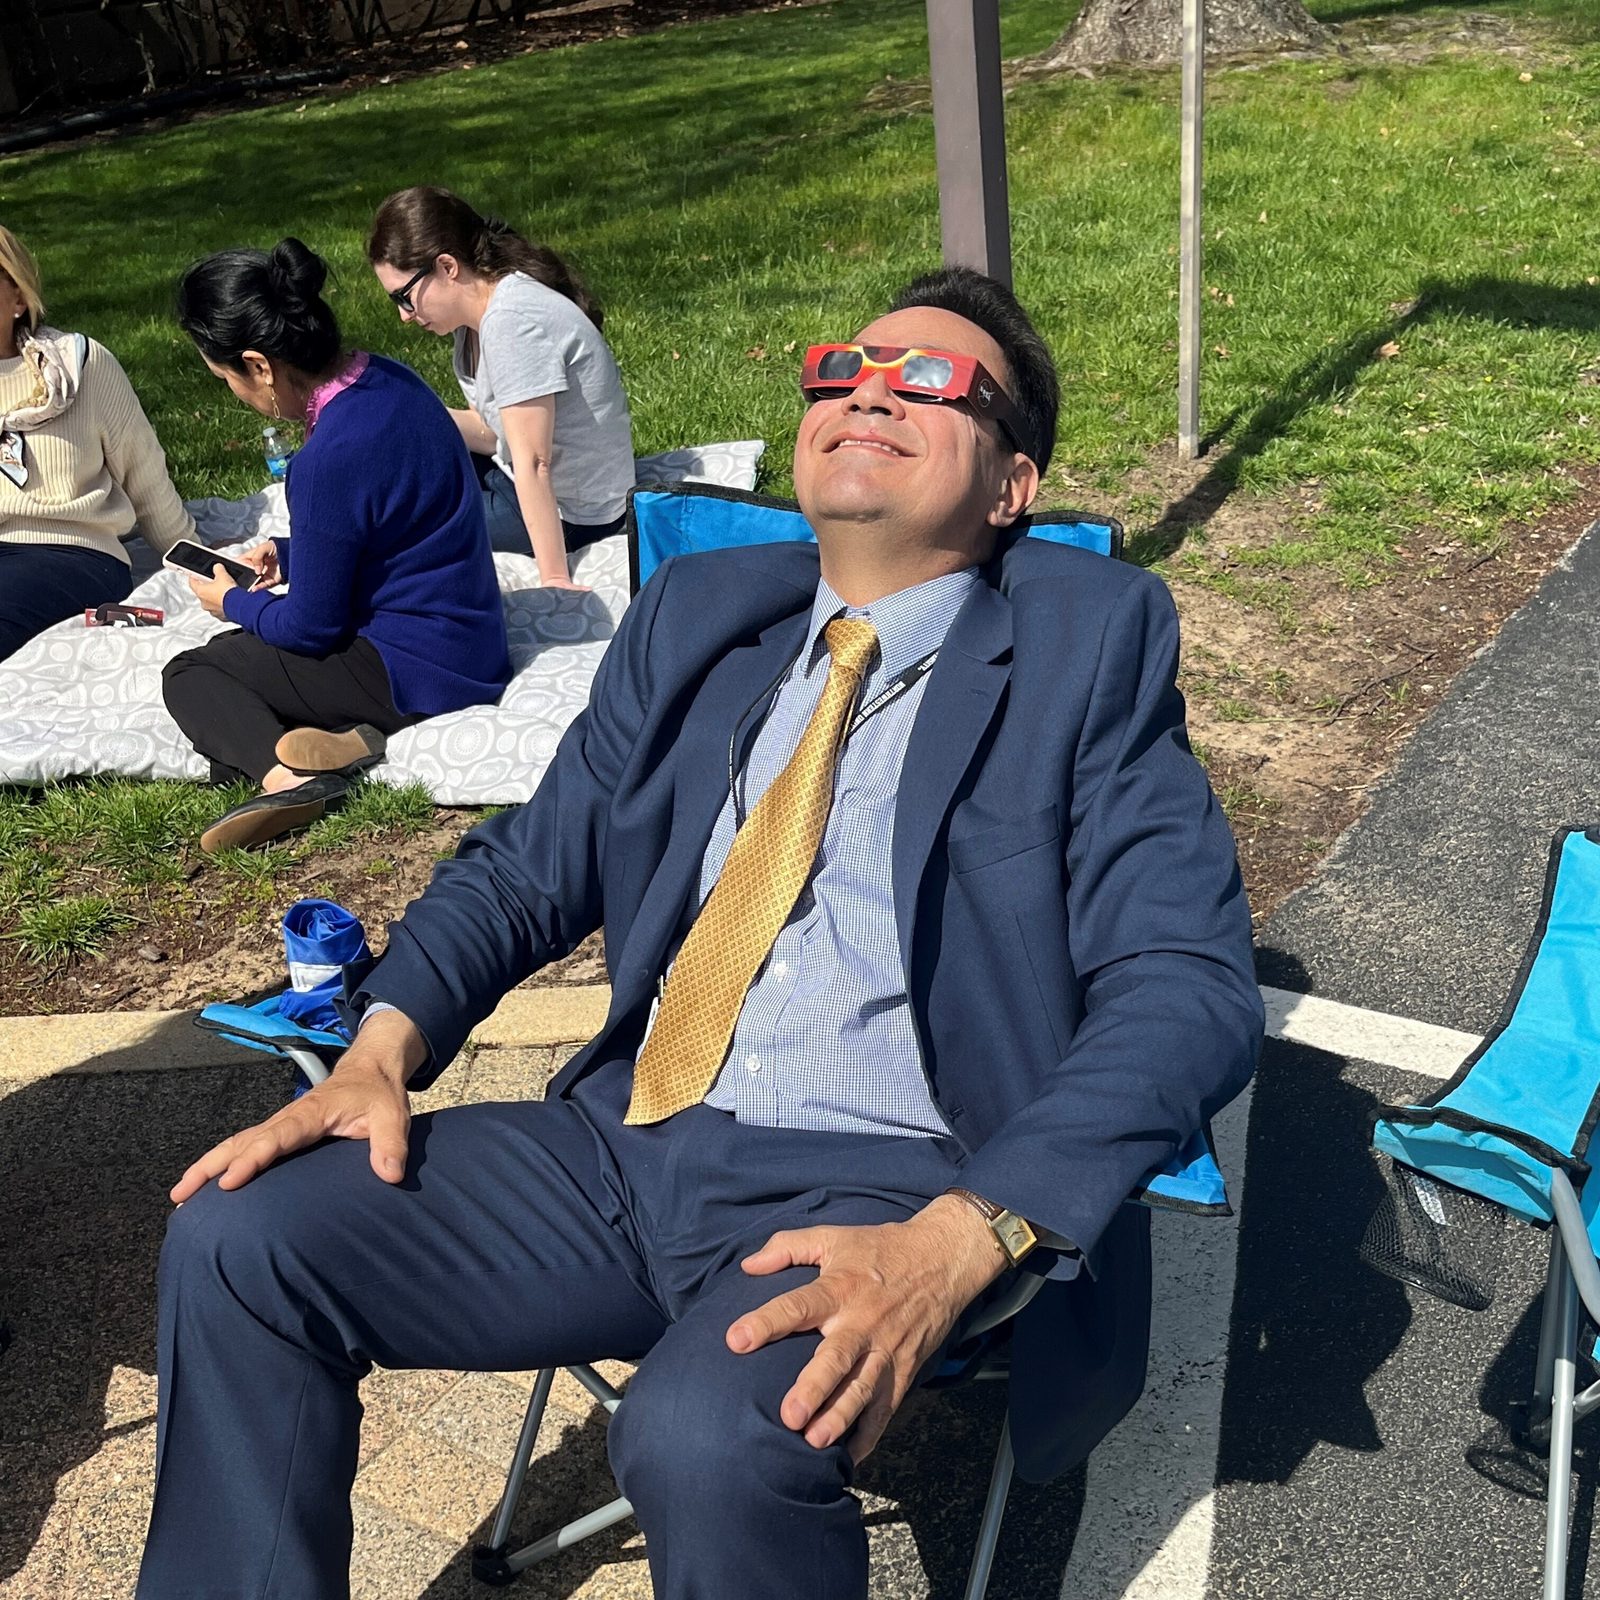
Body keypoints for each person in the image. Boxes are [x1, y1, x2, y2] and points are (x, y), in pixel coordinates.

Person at [136, 267, 1263, 1600]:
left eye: (934, 381)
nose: (871, 391)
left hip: (889, 1182)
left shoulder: (1089, 644)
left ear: (1012, 485)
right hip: (630, 1147)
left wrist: (971, 1231)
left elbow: (1185, 988)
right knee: (239, 1235)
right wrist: (385, 1043)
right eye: (846, 367)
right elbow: (528, 868)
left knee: (704, 1434)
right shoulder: (700, 616)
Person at [163, 238, 511, 854]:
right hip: (474, 646)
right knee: (252, 657)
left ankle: (288, 781)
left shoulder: (325, 460)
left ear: (259, 365)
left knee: (195, 671)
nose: (232, 393)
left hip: (409, 668)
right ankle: (350, 736)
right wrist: (290, 552)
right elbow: (393, 529)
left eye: (226, 378)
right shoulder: (390, 380)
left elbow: (311, 628)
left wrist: (235, 604)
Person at [366, 186, 634, 586]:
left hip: (572, 513)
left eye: (404, 297)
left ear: (447, 267)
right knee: (399, 463)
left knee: (403, 531)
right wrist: (412, 417)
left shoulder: (512, 322)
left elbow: (535, 463)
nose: (405, 315)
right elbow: (496, 430)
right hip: (515, 475)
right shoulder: (475, 319)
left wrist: (554, 578)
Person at [0, 224, 195, 662]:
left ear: (18, 297)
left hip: (75, 556)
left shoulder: (78, 366)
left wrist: (191, 556)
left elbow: (143, 470)